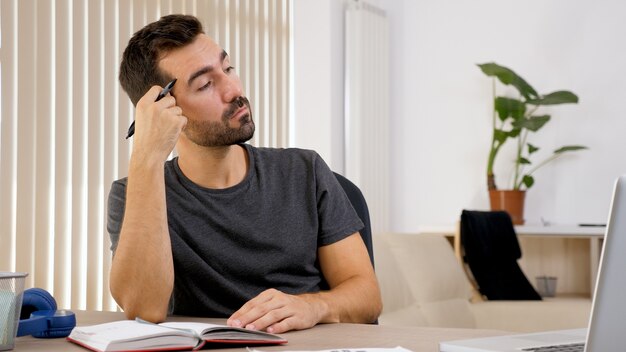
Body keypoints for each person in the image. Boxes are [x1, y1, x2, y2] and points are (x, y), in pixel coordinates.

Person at [107, 14, 381, 334]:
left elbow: (367, 296)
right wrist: (147, 156)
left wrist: (313, 305)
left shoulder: (305, 172)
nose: (233, 89)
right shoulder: (132, 193)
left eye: (228, 68)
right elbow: (143, 308)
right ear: (161, 109)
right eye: (206, 84)